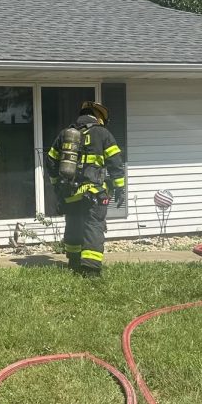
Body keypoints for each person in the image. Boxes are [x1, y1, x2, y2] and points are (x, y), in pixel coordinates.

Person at [45, 100, 126, 276]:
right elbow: (115, 162)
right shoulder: (102, 133)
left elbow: (51, 161)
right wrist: (120, 188)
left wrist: (56, 185)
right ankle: (90, 268)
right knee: (94, 225)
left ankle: (74, 261)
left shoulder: (65, 134)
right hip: (94, 192)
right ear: (98, 118)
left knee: (73, 224)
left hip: (70, 192)